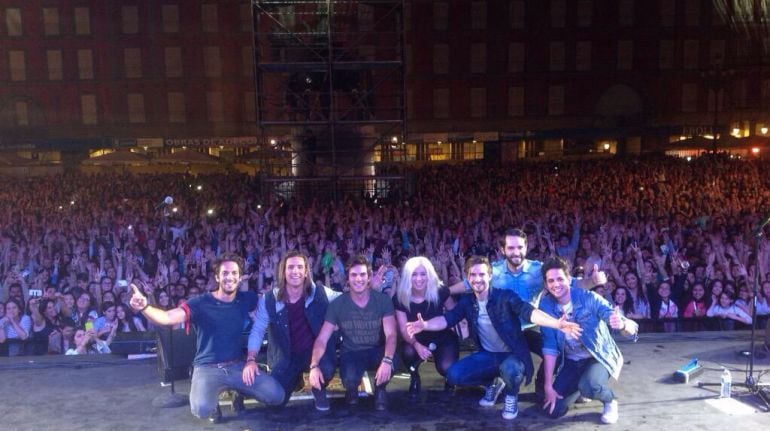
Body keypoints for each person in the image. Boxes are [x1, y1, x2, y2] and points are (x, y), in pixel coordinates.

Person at [407, 256, 582, 421]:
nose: (478, 279)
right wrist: (425, 325)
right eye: (473, 275)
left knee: (511, 369)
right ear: (468, 278)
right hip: (489, 355)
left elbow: (529, 312)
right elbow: (447, 319)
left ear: (490, 276)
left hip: (512, 355)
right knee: (453, 375)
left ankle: (511, 395)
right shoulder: (467, 302)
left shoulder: (504, 297)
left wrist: (556, 324)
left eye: (482, 274)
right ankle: (494, 382)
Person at [449, 228, 606, 402]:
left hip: (533, 325)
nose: (516, 252)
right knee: (505, 365)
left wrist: (593, 281)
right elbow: (467, 284)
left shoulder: (538, 269)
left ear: (526, 247)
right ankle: (497, 382)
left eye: (519, 247)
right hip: (507, 332)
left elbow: (573, 284)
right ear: (503, 250)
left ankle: (549, 387)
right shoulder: (493, 271)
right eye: (511, 248)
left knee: (559, 351)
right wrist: (442, 292)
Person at [129, 252, 284, 423]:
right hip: (208, 368)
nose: (230, 277)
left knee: (276, 395)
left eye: (234, 273)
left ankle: (236, 391)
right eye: (225, 273)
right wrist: (144, 307)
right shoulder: (200, 303)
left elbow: (267, 302)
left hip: (237, 366)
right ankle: (214, 401)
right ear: (217, 277)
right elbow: (167, 317)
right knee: (201, 409)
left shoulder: (246, 299)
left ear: (240, 278)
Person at [538, 257, 639, 424]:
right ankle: (581, 388)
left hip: (597, 357)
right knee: (553, 410)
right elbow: (550, 347)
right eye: (551, 280)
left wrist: (621, 324)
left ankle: (609, 400)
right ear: (546, 284)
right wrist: (548, 386)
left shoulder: (588, 297)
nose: (556, 284)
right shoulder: (546, 306)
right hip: (571, 361)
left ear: (569, 279)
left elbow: (620, 321)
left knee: (590, 385)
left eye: (560, 279)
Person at [245, 251, 339, 411]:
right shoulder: (269, 299)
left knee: (328, 368)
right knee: (275, 400)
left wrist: (372, 287)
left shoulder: (322, 293)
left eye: (299, 267)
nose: (295, 271)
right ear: (283, 272)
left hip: (315, 354)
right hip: (286, 356)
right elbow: (258, 330)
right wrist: (251, 359)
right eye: (291, 267)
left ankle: (318, 388)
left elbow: (348, 300)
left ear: (306, 272)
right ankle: (294, 379)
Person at [308, 255, 398, 411]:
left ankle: (380, 389)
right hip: (351, 352)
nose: (358, 279)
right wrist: (314, 365)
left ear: (369, 277)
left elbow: (391, 334)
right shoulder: (337, 304)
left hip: (377, 349)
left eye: (363, 274)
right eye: (354, 275)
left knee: (393, 359)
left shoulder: (383, 300)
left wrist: (387, 360)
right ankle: (351, 390)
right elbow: (322, 339)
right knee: (349, 381)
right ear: (348, 279)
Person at [394, 256, 458, 398]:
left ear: (429, 275)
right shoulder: (400, 297)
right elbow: (404, 329)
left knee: (446, 368)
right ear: (407, 277)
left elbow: (454, 313)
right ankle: (414, 376)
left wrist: (461, 326)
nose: (419, 279)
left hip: (442, 336)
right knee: (408, 351)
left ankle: (450, 379)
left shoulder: (440, 291)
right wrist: (416, 344)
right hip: (416, 338)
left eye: (423, 274)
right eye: (414, 274)